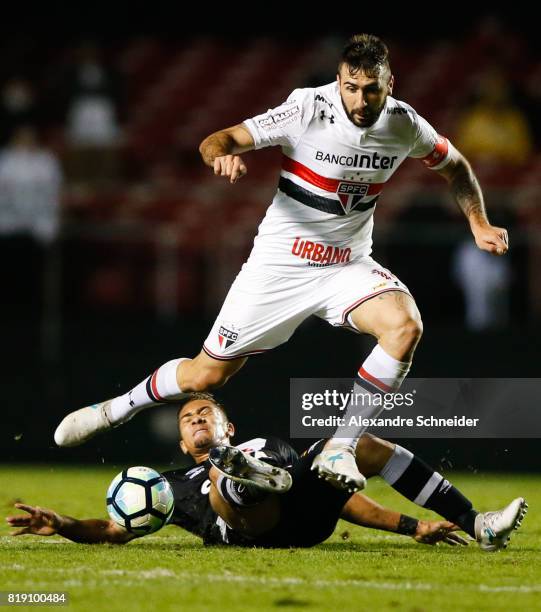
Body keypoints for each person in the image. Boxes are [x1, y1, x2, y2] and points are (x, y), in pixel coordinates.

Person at [54, 34, 509, 494]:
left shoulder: (405, 124)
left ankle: (341, 446)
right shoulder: (308, 109)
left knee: (404, 326)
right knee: (205, 375)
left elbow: (456, 168)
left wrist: (479, 222)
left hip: (346, 265)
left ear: (390, 84)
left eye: (371, 88)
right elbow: (218, 138)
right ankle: (117, 408)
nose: (361, 98)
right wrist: (223, 156)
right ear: (338, 81)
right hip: (279, 268)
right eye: (351, 87)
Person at [16, 394, 526, 551]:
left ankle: (478, 524)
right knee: (224, 486)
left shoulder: (249, 444)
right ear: (180, 442)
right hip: (252, 529)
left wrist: (413, 525)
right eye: (187, 419)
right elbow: (111, 530)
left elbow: (344, 499)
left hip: (299, 513)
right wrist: (61, 525)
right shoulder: (162, 486)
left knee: (362, 448)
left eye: (204, 413)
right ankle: (238, 476)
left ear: (226, 423)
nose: (194, 417)